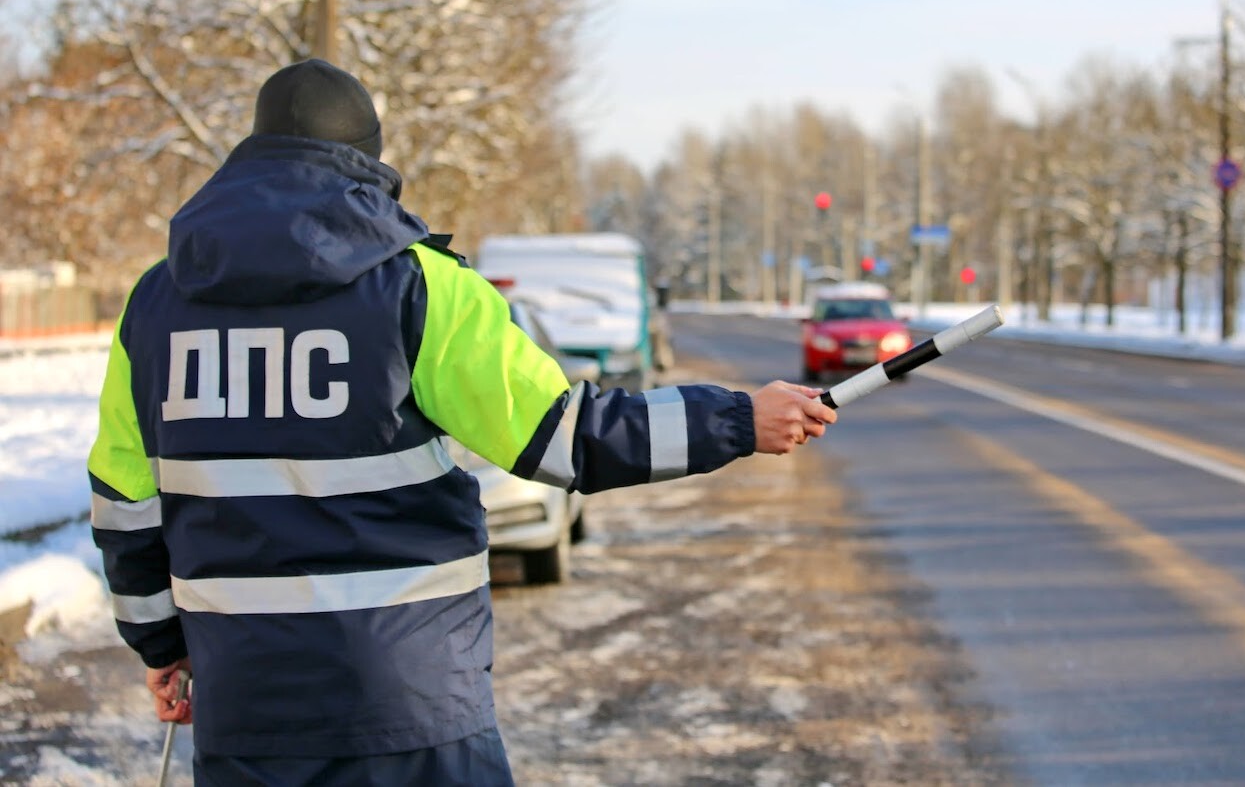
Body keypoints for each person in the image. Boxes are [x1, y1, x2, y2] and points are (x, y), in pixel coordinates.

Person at [87, 58, 837, 785]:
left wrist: (161, 646)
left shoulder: (153, 306)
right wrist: (738, 419)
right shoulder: (419, 288)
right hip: (409, 706)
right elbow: (568, 438)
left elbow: (124, 503)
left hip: (246, 708)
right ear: (366, 166)